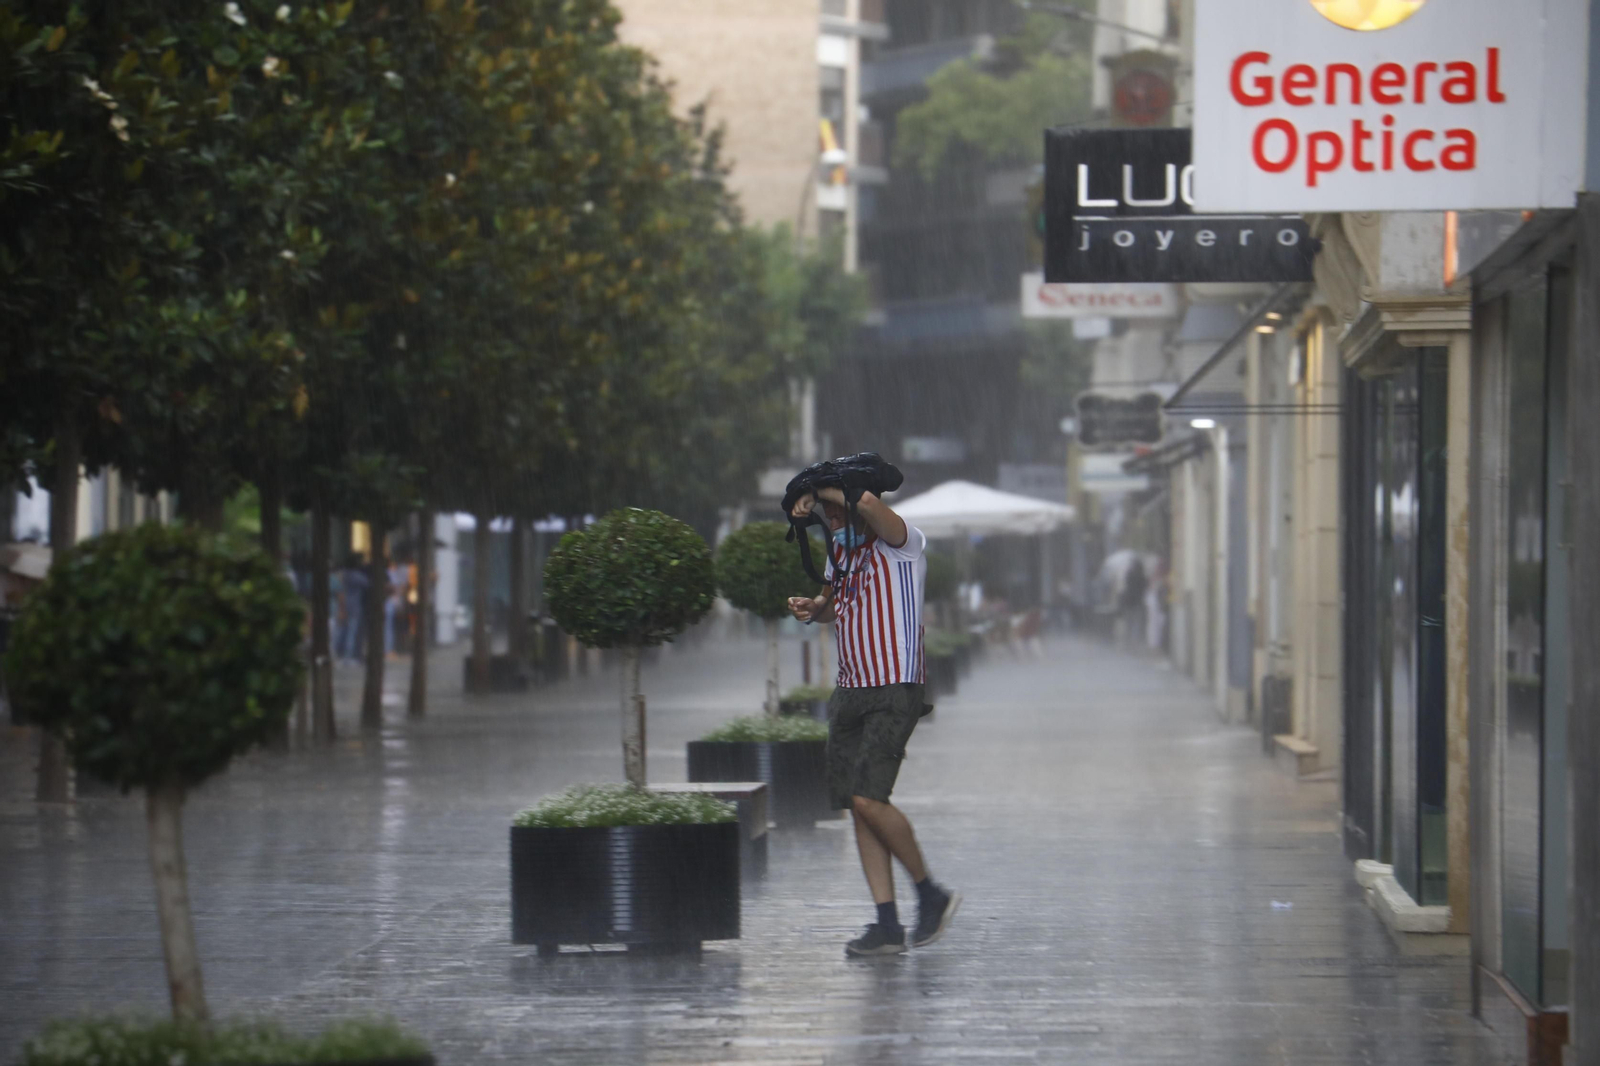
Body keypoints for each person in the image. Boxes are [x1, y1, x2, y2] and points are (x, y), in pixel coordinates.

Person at [788, 483, 961, 957]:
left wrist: (813, 487)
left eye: (835, 510)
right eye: (825, 515)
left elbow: (863, 500)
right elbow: (833, 607)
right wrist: (814, 608)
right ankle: (887, 923)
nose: (832, 520)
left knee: (869, 797)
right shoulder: (839, 556)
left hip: (893, 686)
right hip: (850, 689)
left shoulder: (902, 543)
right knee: (857, 803)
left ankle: (930, 894)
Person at [1119, 557, 1147, 652]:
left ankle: (1127, 644)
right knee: (1136, 624)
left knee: (1129, 624)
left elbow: (1126, 586)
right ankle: (1134, 645)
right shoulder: (1142, 576)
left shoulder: (1129, 575)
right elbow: (1144, 588)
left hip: (1129, 602)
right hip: (1138, 602)